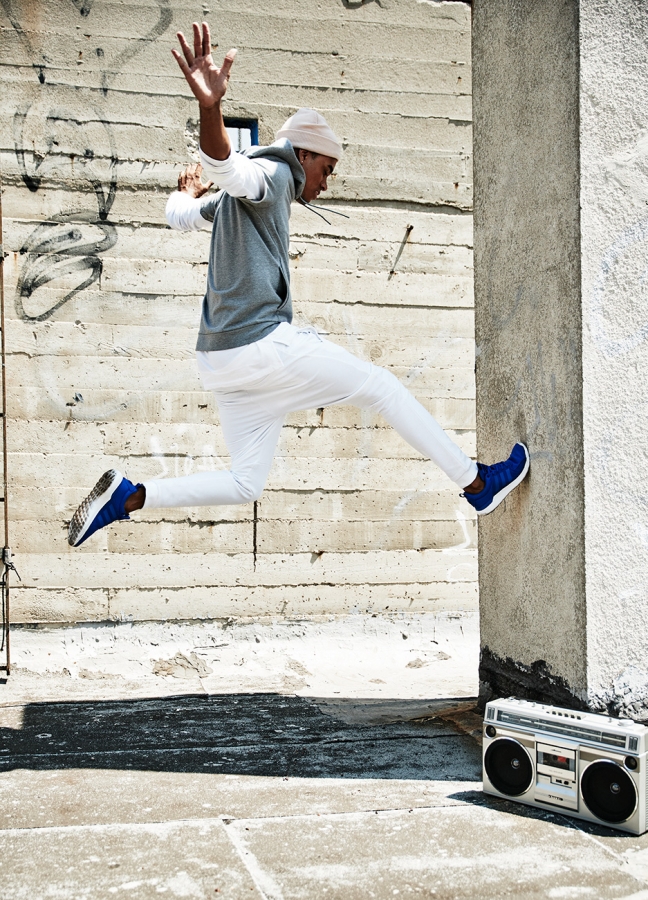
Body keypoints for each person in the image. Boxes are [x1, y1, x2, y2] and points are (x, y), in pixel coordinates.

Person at [68, 22, 529, 549]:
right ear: (303, 155)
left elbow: (180, 215)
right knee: (383, 388)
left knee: (246, 483)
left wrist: (187, 192)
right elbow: (227, 166)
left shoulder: (236, 202)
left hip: (222, 362)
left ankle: (129, 498)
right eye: (326, 169)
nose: (326, 183)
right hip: (258, 344)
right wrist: (210, 108)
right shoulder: (274, 175)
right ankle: (476, 485)